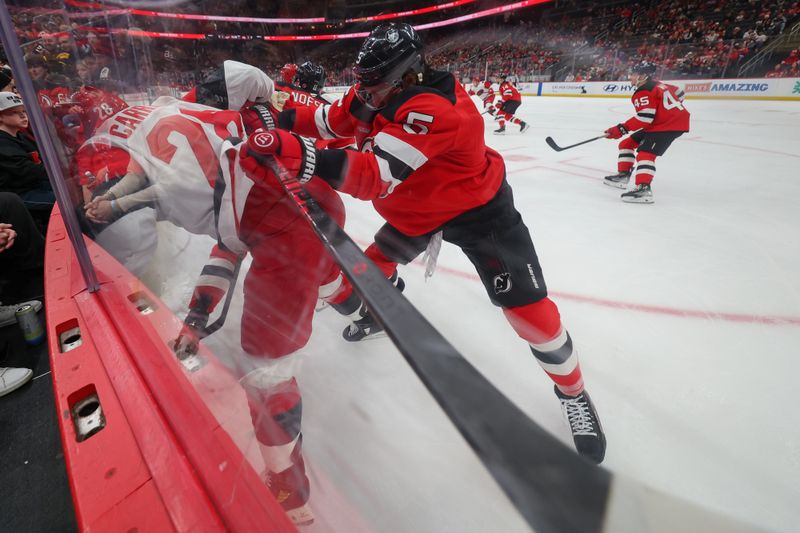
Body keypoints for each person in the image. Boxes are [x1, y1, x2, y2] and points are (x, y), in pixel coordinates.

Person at [250, 23, 606, 464]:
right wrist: (268, 119)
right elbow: (326, 122)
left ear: (409, 75)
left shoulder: (435, 110)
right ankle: (379, 313)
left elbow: (373, 176)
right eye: (363, 84)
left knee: (529, 314)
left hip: (478, 213)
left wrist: (298, 155)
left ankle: (573, 393)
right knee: (366, 275)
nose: (365, 95)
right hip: (417, 211)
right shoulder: (373, 89)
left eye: (374, 86)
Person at [84, 62, 347, 523]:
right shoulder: (240, 124)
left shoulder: (182, 115)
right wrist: (197, 316)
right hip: (293, 205)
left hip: (289, 221)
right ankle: (346, 296)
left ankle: (290, 485)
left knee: (266, 369)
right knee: (309, 283)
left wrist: (116, 201)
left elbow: (227, 231)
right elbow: (229, 237)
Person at [603, 62, 690, 203]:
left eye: (634, 74)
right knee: (627, 143)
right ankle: (623, 175)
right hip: (663, 123)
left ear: (643, 76)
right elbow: (680, 93)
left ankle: (644, 189)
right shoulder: (660, 84)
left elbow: (645, 118)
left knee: (645, 154)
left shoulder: (643, 90)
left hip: (668, 125)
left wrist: (620, 129)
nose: (630, 77)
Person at [0, 92, 56, 216]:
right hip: (18, 194)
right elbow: (28, 170)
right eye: (14, 112)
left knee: (69, 193)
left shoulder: (19, 135)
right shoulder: (2, 143)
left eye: (23, 111)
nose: (23, 115)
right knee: (61, 202)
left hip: (34, 185)